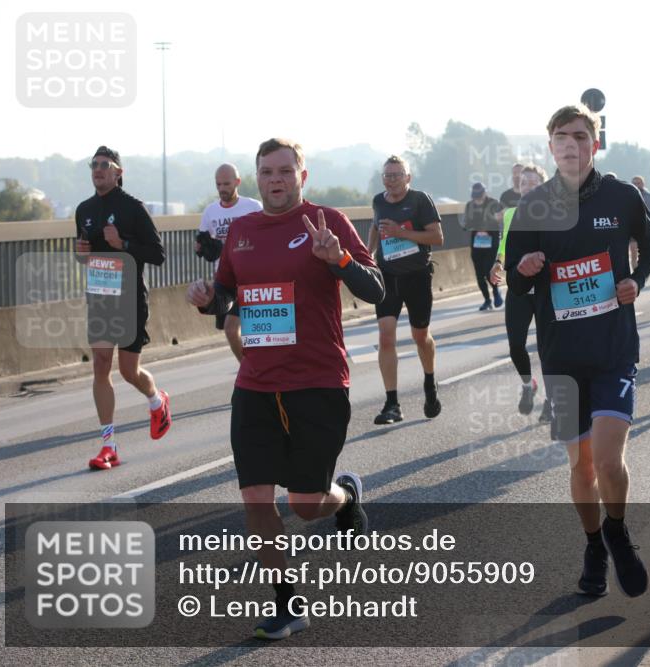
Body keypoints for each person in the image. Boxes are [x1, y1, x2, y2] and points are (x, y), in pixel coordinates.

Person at [186, 138, 384, 640]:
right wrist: (210, 298)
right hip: (255, 383)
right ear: (258, 179)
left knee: (304, 503)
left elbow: (375, 289)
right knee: (256, 500)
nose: (275, 180)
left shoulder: (327, 221)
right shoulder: (243, 231)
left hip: (317, 380)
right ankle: (287, 602)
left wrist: (338, 260)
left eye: (284, 171)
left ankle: (344, 496)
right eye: (266, 172)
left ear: (302, 175)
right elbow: (229, 292)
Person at [505, 104, 650, 599]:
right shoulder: (533, 207)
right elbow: (512, 276)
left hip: (613, 348)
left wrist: (636, 279)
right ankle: (594, 544)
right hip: (562, 357)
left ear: (595, 144)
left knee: (610, 462)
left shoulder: (622, 196)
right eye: (560, 137)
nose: (570, 144)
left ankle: (616, 530)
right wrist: (526, 266)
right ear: (550, 147)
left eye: (579, 136)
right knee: (582, 467)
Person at [74, 146, 171, 471]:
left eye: (105, 165)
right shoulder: (84, 209)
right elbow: (84, 254)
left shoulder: (133, 208)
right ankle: (108, 445)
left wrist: (124, 245)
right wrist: (82, 253)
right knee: (101, 365)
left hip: (130, 301)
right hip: (100, 298)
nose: (98, 169)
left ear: (118, 173)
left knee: (129, 371)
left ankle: (157, 400)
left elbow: (158, 254)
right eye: (94, 165)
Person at [367, 156, 445, 425]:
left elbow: (437, 237)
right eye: (387, 175)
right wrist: (369, 254)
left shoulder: (420, 200)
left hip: (417, 276)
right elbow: (375, 227)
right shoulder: (378, 201)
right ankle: (392, 403)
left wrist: (402, 233)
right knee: (386, 337)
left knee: (420, 336)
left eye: (397, 175)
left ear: (408, 177)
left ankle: (430, 384)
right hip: (388, 277)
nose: (392, 180)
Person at [489, 165, 552, 420]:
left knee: (548, 349)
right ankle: (528, 385)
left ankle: (552, 400)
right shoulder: (510, 214)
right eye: (523, 182)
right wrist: (497, 263)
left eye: (533, 182)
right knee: (516, 345)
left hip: (546, 290)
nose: (527, 186)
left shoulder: (553, 213)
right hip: (519, 287)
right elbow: (505, 245)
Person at [197, 163, 263, 361]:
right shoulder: (210, 212)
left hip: (251, 277)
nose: (222, 189)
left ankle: (252, 371)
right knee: (230, 330)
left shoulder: (253, 207)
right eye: (218, 184)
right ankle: (249, 370)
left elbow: (265, 239)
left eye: (226, 184)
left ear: (237, 182)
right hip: (225, 279)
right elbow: (203, 245)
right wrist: (201, 248)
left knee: (240, 329)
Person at [464, 182, 503, 310]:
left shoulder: (494, 203)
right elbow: (466, 222)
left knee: (488, 270)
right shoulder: (470, 205)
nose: (477, 199)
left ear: (484, 192)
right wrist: (471, 225)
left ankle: (496, 292)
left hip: (491, 242)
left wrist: (486, 222)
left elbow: (499, 219)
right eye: (475, 196)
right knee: (479, 274)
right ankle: (487, 300)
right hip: (477, 243)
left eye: (479, 196)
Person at [630, 176, 650, 270]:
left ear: (643, 183)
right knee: (634, 254)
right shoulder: (628, 196)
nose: (636, 185)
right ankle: (636, 276)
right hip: (633, 230)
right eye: (634, 183)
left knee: (646, 253)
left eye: (638, 183)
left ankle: (645, 271)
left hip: (647, 230)